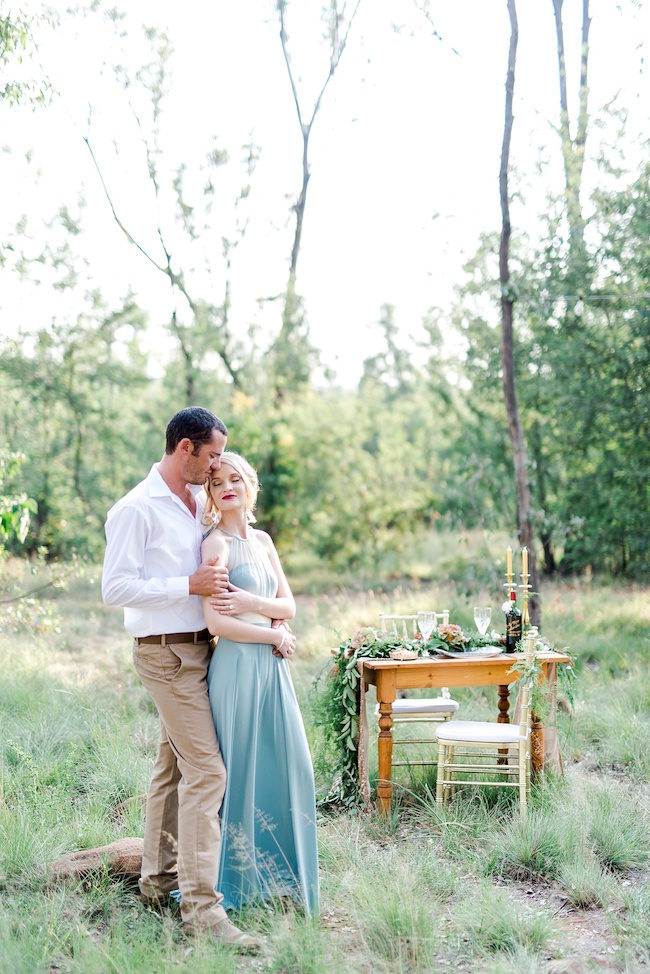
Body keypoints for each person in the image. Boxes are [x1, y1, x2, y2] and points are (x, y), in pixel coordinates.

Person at [101, 407, 260, 950]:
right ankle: (201, 911)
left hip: (201, 651)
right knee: (208, 775)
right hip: (164, 655)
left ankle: (157, 882)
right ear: (185, 448)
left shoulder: (196, 502)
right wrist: (186, 585)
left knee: (172, 771)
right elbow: (115, 588)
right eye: (213, 455)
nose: (219, 466)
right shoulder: (134, 509)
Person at [200, 452, 319, 915]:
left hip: (272, 670)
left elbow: (288, 605)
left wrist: (257, 603)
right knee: (243, 771)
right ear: (210, 495)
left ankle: (284, 876)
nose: (226, 487)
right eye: (216, 483)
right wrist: (272, 631)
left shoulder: (264, 541)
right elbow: (216, 622)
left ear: (249, 484)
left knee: (292, 766)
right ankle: (238, 885)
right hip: (237, 669)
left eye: (234, 479)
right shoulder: (216, 547)